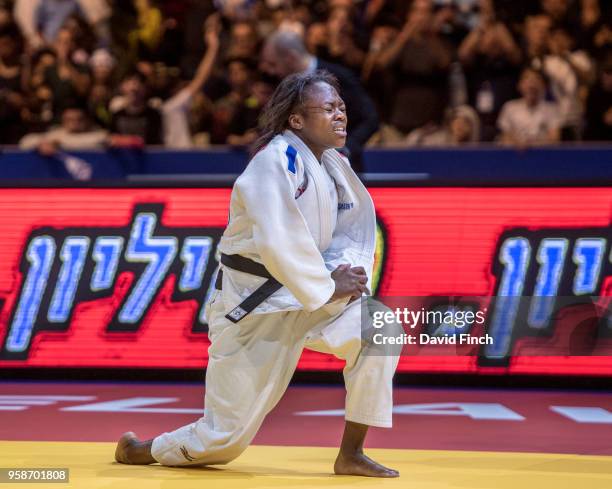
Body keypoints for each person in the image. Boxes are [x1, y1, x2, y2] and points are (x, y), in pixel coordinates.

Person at [114, 70, 400, 478]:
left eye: (342, 108)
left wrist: (344, 273)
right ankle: (141, 451)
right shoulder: (273, 162)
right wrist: (326, 285)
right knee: (222, 441)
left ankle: (351, 453)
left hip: (308, 296)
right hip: (257, 305)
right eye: (328, 109)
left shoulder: (332, 162)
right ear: (297, 120)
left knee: (381, 328)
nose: (340, 116)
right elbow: (276, 239)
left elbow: (348, 227)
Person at [260, 29, 379, 173]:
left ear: (290, 57)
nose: (271, 71)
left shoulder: (340, 77)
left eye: (273, 64)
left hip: (342, 170)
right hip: (296, 173)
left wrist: (345, 148)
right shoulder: (280, 85)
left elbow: (370, 118)